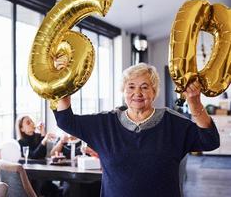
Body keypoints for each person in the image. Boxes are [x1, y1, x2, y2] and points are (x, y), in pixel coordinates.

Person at [53, 62, 220, 197]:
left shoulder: (173, 123)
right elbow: (65, 121)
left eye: (145, 87)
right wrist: (62, 83)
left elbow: (210, 140)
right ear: (123, 91)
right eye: (131, 87)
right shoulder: (105, 124)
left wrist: (195, 104)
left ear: (154, 91)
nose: (137, 93)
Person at [16, 116, 60, 197]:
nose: (32, 123)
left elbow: (42, 154)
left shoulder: (38, 136)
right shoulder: (20, 142)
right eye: (28, 122)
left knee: (57, 190)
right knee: (44, 187)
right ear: (22, 129)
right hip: (32, 175)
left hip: (44, 171)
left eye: (32, 121)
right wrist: (44, 139)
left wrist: (43, 133)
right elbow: (33, 156)